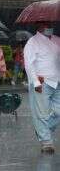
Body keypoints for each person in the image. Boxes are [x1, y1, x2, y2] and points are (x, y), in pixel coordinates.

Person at [24, 23, 60, 154]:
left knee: (58, 112)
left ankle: (42, 130)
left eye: (51, 24)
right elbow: (28, 63)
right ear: (39, 25)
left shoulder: (57, 40)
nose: (49, 26)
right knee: (42, 113)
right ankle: (46, 142)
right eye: (46, 24)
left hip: (58, 80)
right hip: (42, 81)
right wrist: (35, 82)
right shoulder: (32, 42)